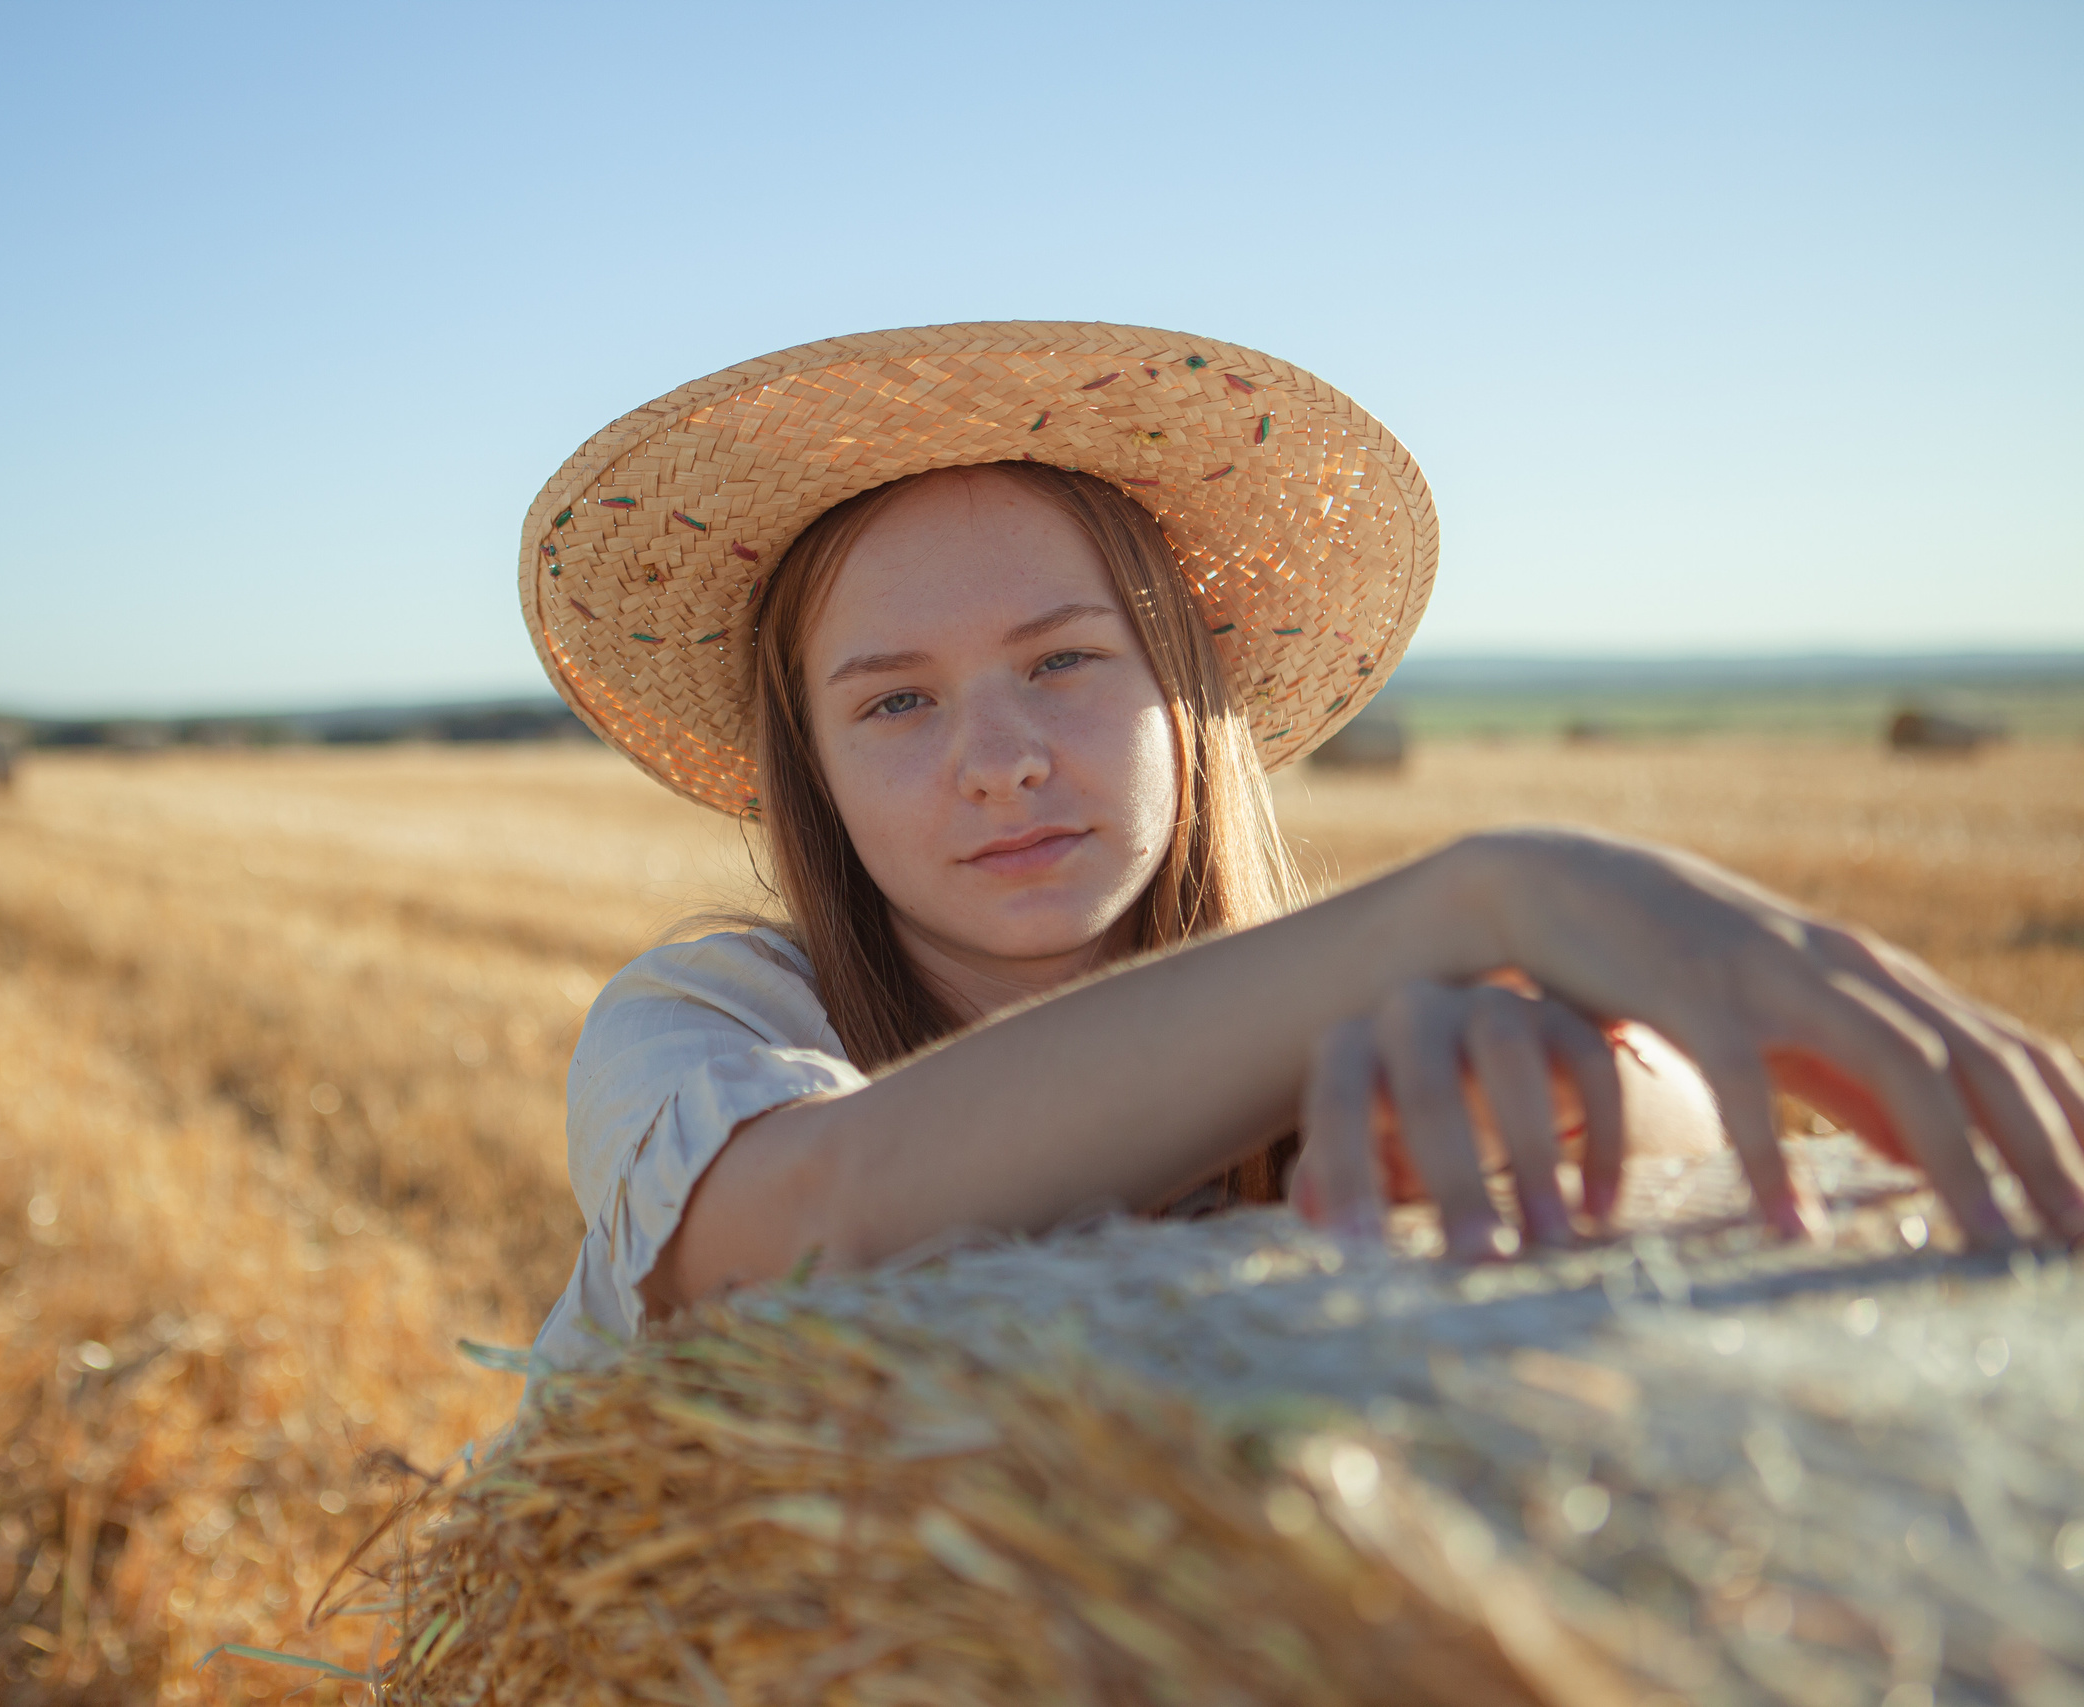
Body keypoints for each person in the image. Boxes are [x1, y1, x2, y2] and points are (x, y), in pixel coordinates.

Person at [517, 322, 2084, 1373]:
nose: (1000, 762)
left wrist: (1549, 1095)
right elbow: (801, 1239)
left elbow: (1644, 1157)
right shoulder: (705, 1022)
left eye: (1064, 661)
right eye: (896, 703)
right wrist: (1495, 895)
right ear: (815, 774)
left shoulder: (1361, 1023)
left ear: (1187, 694)